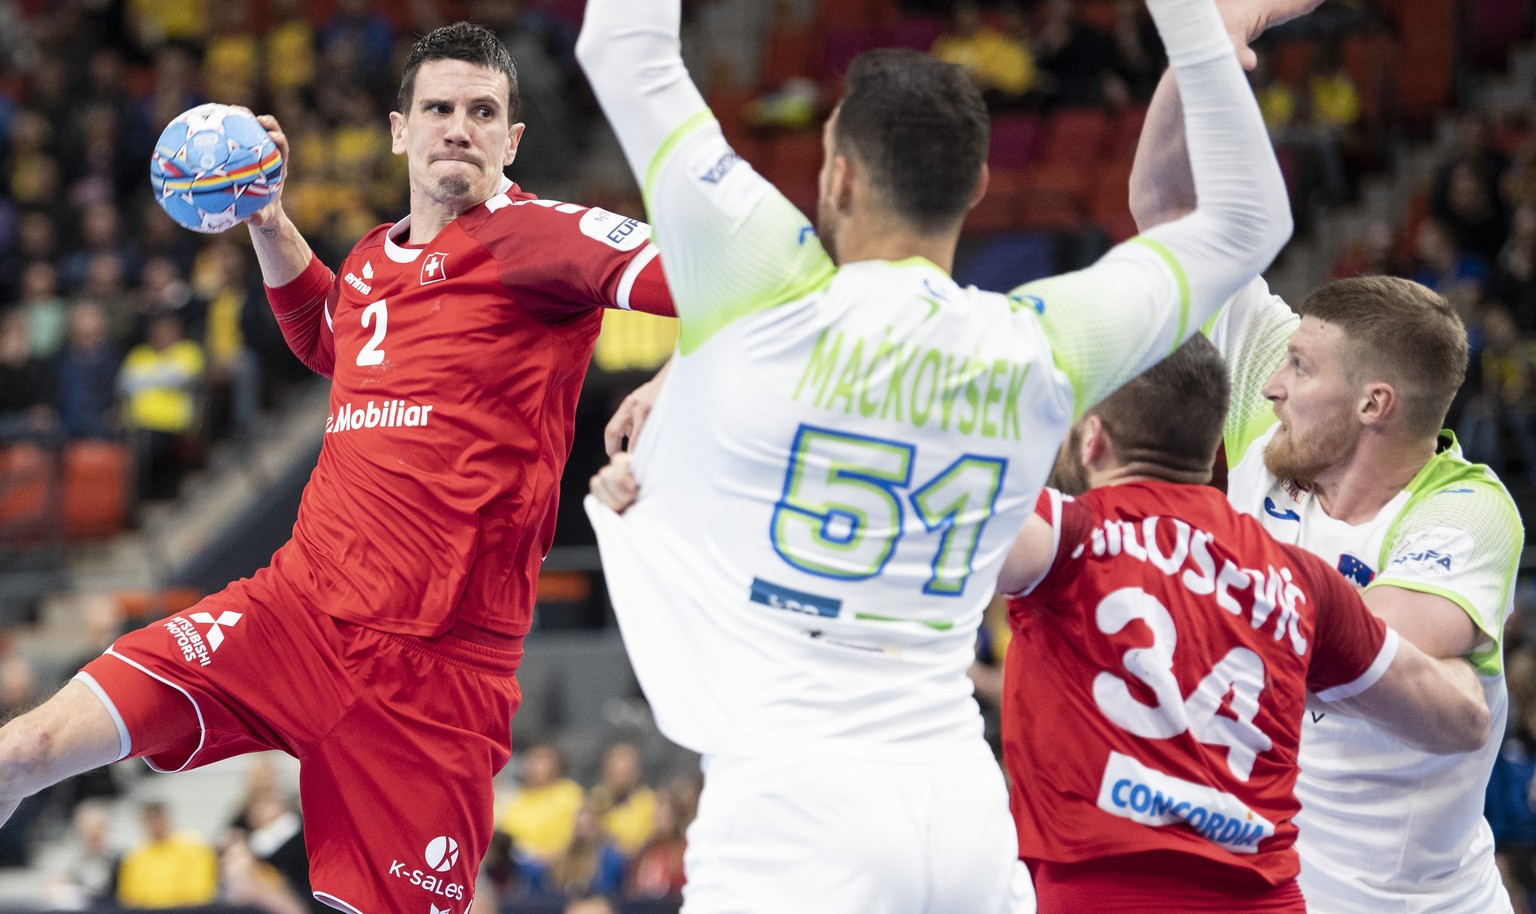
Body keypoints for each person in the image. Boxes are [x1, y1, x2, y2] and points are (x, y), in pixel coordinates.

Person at [576, 0, 1291, 906]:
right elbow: (1245, 222)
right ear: (981, 183)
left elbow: (620, 45)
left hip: (793, 805)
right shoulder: (1037, 344)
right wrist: (1198, 20)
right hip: (960, 807)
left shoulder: (763, 283)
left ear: (836, 177)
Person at [0, 21, 673, 914]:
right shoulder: (368, 260)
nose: (458, 127)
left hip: (436, 675)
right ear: (401, 129)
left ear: (512, 139)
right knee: (26, 750)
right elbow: (332, 339)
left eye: (483, 111)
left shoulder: (545, 240)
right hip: (294, 616)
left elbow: (727, 280)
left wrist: (679, 372)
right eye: (438, 108)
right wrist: (268, 222)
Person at [1126, 3, 1524, 910]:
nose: (1271, 385)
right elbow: (1166, 210)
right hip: (1277, 883)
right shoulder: (1279, 410)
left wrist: (1172, 585)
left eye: (1300, 368)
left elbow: (1369, 651)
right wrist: (1214, 37)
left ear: (1374, 404)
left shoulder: (1462, 507)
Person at [995, 336, 1490, 912]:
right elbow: (1464, 720)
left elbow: (923, 524)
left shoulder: (1067, 534)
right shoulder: (1301, 581)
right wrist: (1468, 667)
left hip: (1104, 893)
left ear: (1094, 438)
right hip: (1265, 899)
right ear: (1210, 450)